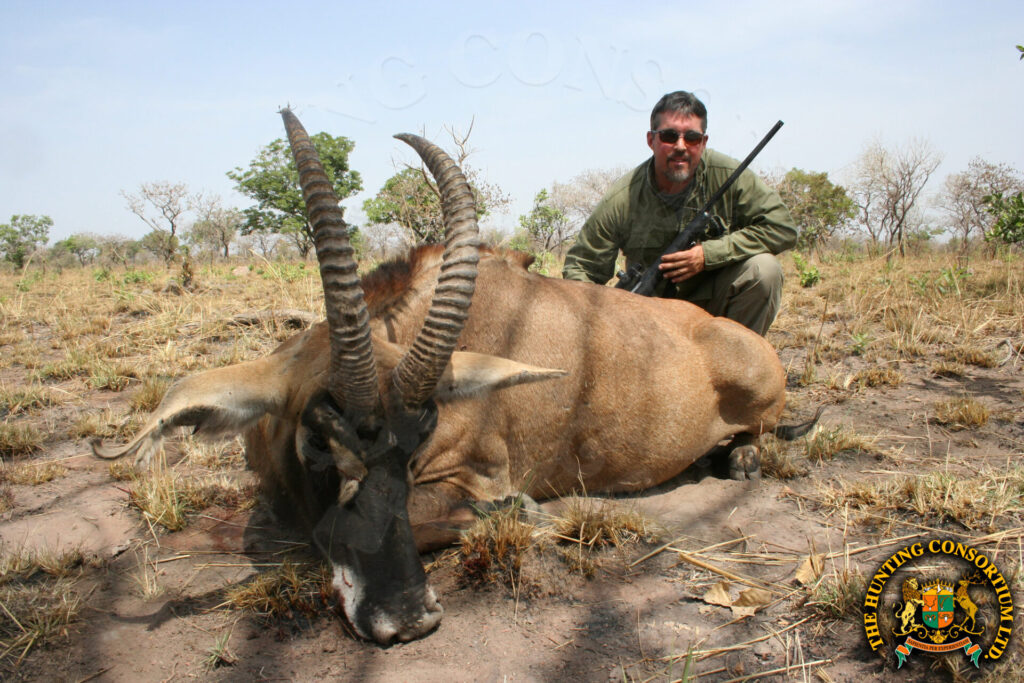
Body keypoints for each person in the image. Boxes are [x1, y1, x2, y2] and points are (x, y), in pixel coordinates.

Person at [561, 91, 797, 336]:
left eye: (692, 138)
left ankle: (736, 368)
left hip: (715, 312)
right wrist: (598, 318)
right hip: (649, 320)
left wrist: (708, 255)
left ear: (704, 143)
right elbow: (581, 267)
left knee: (764, 271)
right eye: (669, 136)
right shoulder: (623, 197)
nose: (681, 146)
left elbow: (782, 227)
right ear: (651, 140)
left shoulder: (729, 175)